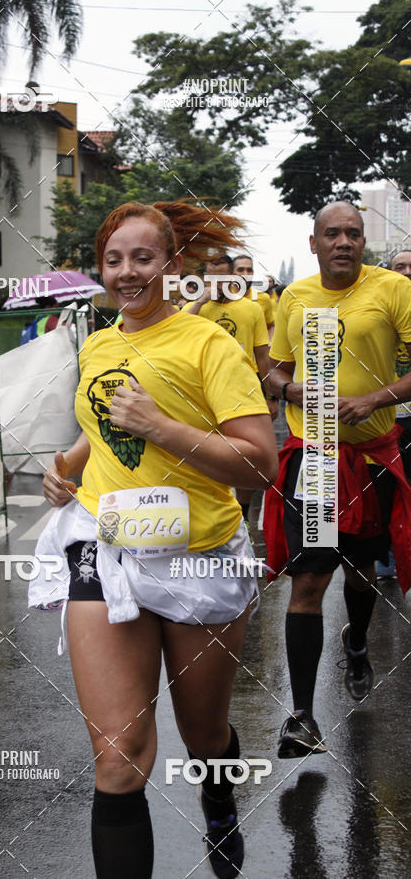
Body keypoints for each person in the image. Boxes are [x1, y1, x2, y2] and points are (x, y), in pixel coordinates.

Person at [30, 201, 278, 878]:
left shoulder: (209, 345)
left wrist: (161, 424)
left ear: (171, 265)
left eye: (142, 258)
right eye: (114, 260)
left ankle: (218, 797)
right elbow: (103, 423)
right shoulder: (100, 343)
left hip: (199, 558)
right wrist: (66, 469)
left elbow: (261, 462)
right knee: (119, 756)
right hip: (105, 548)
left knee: (203, 737)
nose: (127, 272)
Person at [264, 202, 411, 759]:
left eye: (353, 233)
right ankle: (302, 716)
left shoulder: (394, 291)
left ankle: (355, 640)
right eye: (333, 234)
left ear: (364, 242)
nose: (344, 241)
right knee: (309, 581)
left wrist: (373, 399)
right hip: (317, 459)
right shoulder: (295, 296)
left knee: (364, 569)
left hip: (372, 457)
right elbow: (275, 368)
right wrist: (289, 389)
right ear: (314, 243)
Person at [186, 262, 279, 525]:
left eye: (222, 275)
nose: (216, 281)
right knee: (206, 452)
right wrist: (202, 299)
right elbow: (176, 330)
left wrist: (270, 396)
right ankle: (212, 516)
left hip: (242, 392)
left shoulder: (251, 308)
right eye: (210, 275)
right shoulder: (195, 309)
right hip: (201, 395)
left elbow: (262, 356)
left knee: (244, 456)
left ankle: (244, 516)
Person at [375, 249, 411, 579]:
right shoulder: (381, 310)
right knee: (387, 489)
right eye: (400, 266)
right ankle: (385, 552)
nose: (407, 272)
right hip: (387, 418)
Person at [232, 254, 275, 337]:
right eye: (240, 270)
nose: (245, 274)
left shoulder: (263, 298)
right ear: (232, 273)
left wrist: (269, 344)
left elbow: (270, 326)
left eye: (249, 270)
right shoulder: (223, 298)